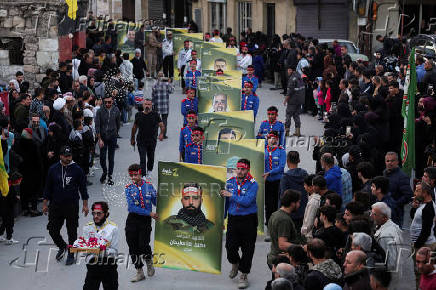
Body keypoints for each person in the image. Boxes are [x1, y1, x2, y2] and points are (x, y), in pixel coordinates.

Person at [42, 145, 89, 266]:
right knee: (52, 230)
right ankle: (62, 246)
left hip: (71, 205)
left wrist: (85, 205)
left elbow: (83, 189)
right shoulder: (53, 169)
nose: (68, 158)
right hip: (56, 205)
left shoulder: (77, 170)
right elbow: (48, 188)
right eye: (66, 156)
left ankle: (71, 253)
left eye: (70, 156)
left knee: (72, 231)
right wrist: (45, 204)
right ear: (60, 156)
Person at [220, 159, 258, 289]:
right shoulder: (229, 182)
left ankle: (244, 275)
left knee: (248, 249)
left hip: (249, 219)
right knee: (230, 246)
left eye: (243, 169)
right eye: (238, 169)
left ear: (248, 170)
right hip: (233, 219)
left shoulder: (253, 184)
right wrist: (222, 218)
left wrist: (231, 195)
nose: (240, 171)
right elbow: (226, 203)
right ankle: (235, 263)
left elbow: (247, 201)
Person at [124, 164, 158, 282]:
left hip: (145, 221)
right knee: (132, 247)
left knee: (143, 245)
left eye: (135, 175)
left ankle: (149, 263)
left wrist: (162, 204)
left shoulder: (149, 186)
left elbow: (156, 202)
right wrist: (150, 213)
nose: (133, 177)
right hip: (133, 219)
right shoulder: (128, 188)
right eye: (131, 175)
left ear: (140, 173)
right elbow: (132, 207)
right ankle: (139, 272)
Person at [82, 202, 119, 290]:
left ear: (106, 214)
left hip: (108, 265)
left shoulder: (113, 228)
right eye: (94, 213)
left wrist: (102, 249)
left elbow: (114, 251)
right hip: (93, 264)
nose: (96, 216)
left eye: (99, 213)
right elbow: (85, 250)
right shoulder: (87, 228)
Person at [130, 98, 165, 179]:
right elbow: (134, 127)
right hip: (141, 140)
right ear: (143, 105)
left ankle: (149, 171)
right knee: (142, 158)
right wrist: (132, 138)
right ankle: (143, 175)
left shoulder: (156, 114)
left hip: (152, 140)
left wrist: (161, 134)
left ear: (151, 106)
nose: (147, 106)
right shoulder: (138, 115)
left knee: (151, 157)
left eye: (149, 104)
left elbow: (162, 125)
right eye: (145, 104)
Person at [267, 189, 301, 267]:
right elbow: (282, 244)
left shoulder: (275, 214)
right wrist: (300, 248)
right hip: (281, 261)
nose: (299, 205)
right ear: (292, 203)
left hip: (275, 258)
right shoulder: (284, 220)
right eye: (298, 202)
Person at [279, 151, 308, 234]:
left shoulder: (285, 177)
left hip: (290, 212)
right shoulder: (305, 174)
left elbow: (283, 196)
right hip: (303, 210)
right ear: (299, 160)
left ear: (287, 161)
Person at [95, 95, 120, 186]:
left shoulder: (116, 110)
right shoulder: (99, 111)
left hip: (112, 136)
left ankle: (110, 176)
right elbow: (97, 126)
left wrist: (116, 134)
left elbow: (118, 123)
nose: (107, 104)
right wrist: (99, 139)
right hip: (103, 137)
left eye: (109, 102)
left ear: (112, 101)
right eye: (105, 102)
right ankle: (105, 172)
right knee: (102, 157)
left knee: (111, 157)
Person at [383, 151, 413, 227]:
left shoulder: (402, 176)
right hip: (384, 212)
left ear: (397, 162)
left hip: (396, 214)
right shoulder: (385, 173)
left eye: (392, 161)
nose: (390, 163)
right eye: (387, 161)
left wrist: (395, 204)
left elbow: (409, 195)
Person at [263, 131, 286, 227]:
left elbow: (281, 167)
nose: (272, 140)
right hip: (266, 181)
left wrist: (269, 173)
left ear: (277, 140)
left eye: (274, 138)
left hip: (277, 180)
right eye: (270, 138)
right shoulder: (263, 151)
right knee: (268, 203)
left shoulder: (281, 151)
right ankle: (269, 221)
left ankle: (277, 222)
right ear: (267, 140)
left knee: (277, 202)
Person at [411, 182, 436, 250]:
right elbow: (414, 218)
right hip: (420, 243)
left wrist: (416, 245)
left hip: (424, 245)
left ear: (424, 193)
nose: (414, 193)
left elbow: (426, 231)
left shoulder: (428, 208)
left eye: (417, 190)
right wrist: (414, 207)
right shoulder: (423, 203)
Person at [151, 72, 174, 139]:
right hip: (165, 105)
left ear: (157, 76)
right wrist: (170, 83)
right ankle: (163, 135)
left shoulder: (155, 84)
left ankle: (155, 134)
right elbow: (171, 91)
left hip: (157, 105)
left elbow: (153, 95)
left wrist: (152, 104)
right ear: (163, 76)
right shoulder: (167, 84)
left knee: (156, 121)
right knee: (164, 120)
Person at [284, 65, 304, 137]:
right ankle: (297, 131)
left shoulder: (292, 78)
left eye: (289, 70)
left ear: (291, 70)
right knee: (296, 115)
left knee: (288, 114)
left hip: (292, 100)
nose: (288, 72)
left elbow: (290, 91)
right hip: (299, 100)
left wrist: (286, 100)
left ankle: (287, 131)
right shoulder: (299, 76)